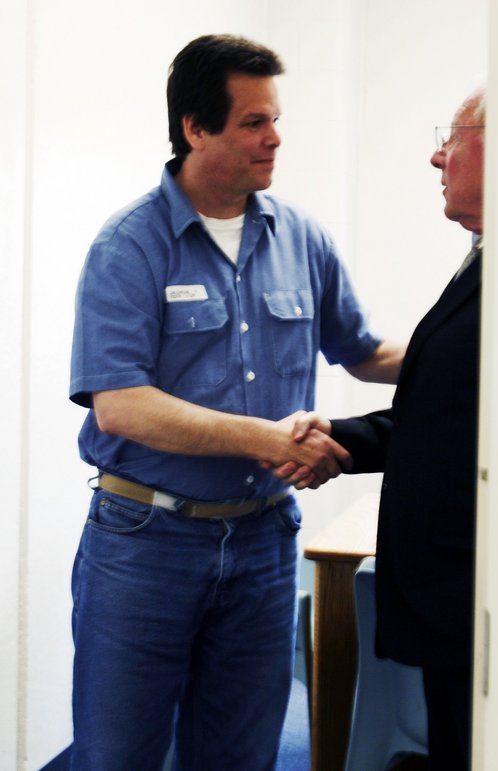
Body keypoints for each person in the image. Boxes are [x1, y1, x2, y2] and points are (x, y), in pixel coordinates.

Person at [68, 34, 404, 770]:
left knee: (239, 754)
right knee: (118, 754)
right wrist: (269, 437)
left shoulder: (301, 237)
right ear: (196, 127)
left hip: (260, 543)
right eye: (253, 122)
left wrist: (476, 356)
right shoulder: (130, 245)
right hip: (145, 544)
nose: (274, 137)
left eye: (274, 119)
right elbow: (121, 405)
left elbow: (365, 352)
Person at [274, 87, 485, 770]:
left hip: (469, 598)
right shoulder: (485, 262)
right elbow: (445, 413)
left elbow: (462, 422)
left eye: (451, 137)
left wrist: (318, 444)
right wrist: (338, 436)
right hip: (450, 602)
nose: (435, 156)